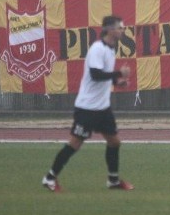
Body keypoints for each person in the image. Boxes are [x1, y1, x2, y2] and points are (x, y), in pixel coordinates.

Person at [42, 15, 133, 192]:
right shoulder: (97, 49)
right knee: (75, 143)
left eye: (123, 28)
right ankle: (49, 177)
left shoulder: (111, 48)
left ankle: (113, 181)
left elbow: (103, 75)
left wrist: (116, 82)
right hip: (87, 108)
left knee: (114, 142)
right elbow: (95, 75)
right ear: (108, 29)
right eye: (119, 27)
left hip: (102, 108)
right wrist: (118, 74)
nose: (122, 30)